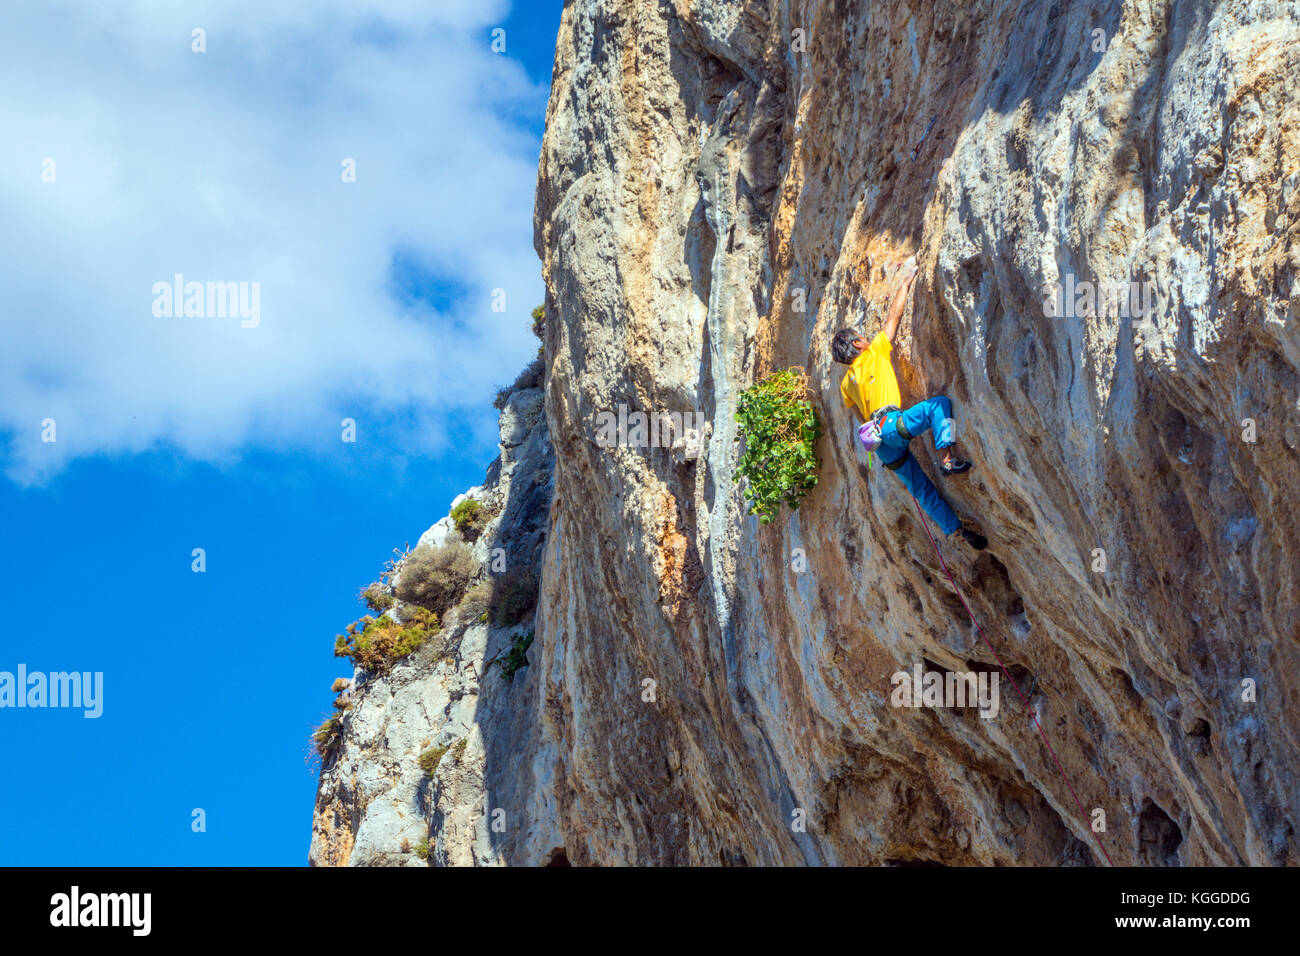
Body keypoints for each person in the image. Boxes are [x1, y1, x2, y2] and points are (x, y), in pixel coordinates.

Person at [833, 261, 987, 550]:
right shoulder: (874, 351)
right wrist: (904, 284)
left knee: (922, 490)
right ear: (857, 344)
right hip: (891, 425)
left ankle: (956, 530)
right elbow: (895, 317)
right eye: (861, 338)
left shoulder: (845, 384)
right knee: (937, 406)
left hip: (880, 446)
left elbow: (860, 416)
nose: (865, 339)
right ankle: (947, 458)